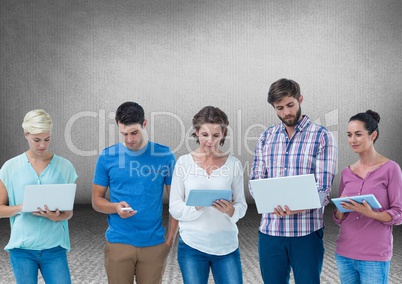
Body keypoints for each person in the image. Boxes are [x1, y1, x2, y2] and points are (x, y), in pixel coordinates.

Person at [249, 78, 338, 283]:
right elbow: (255, 181)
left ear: (300, 99)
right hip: (271, 232)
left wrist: (298, 206)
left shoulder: (322, 137)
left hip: (306, 233)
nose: (286, 112)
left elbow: (324, 189)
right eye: (279, 108)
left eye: (290, 105)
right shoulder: (266, 137)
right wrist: (270, 202)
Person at [92, 101, 178, 284]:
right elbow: (96, 200)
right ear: (117, 127)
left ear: (144, 124)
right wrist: (115, 207)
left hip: (153, 244)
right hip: (118, 243)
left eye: (134, 132)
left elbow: (176, 202)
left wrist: (169, 241)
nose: (129, 139)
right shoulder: (107, 157)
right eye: (124, 133)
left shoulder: (164, 156)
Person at [169, 106, 247, 284]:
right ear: (196, 133)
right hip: (192, 247)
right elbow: (174, 207)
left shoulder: (233, 164)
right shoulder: (183, 163)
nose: (210, 141)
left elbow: (242, 205)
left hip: (226, 246)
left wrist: (231, 211)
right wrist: (196, 206)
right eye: (205, 134)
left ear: (223, 133)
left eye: (216, 135)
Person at [0, 109, 78, 284]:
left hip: (54, 248)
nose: (42, 145)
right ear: (26, 134)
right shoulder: (10, 167)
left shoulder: (65, 167)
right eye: (37, 140)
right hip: (22, 249)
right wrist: (22, 207)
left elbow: (69, 212)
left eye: (47, 139)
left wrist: (57, 216)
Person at [333, 110, 402, 284]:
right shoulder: (347, 172)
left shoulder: (391, 169)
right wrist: (341, 210)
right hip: (345, 253)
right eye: (349, 135)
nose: (352, 140)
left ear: (373, 135)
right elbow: (339, 218)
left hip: (374, 256)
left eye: (358, 134)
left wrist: (371, 213)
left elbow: (398, 213)